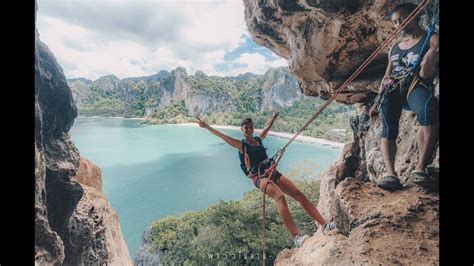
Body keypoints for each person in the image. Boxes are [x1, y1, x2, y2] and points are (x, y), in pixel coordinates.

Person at [194, 111, 337, 248]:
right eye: (246, 128)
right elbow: (223, 137)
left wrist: (273, 117)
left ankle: (324, 224)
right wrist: (206, 126)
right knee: (279, 197)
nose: (249, 130)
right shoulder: (241, 145)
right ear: (242, 130)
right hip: (260, 177)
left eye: (251, 127)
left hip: (272, 171)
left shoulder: (257, 140)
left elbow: (267, 128)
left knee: (298, 193)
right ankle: (296, 238)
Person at [369, 3, 439, 191]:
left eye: (402, 18)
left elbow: (432, 59)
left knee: (428, 110)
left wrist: (428, 59)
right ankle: (391, 174)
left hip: (415, 83)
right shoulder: (395, 48)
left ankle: (420, 168)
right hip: (392, 87)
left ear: (415, 15)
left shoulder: (430, 37)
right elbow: (386, 75)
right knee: (388, 127)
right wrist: (377, 101)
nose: (398, 23)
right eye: (395, 21)